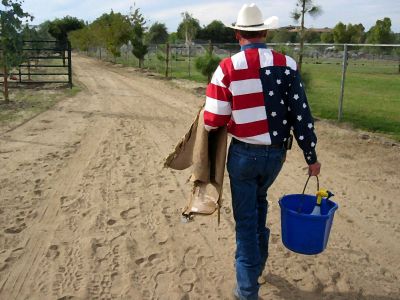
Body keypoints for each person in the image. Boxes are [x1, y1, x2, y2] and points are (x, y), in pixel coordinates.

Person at [203, 3, 321, 300]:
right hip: (275, 156)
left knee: (245, 224)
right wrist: (312, 157)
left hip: (242, 155)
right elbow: (301, 116)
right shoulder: (288, 64)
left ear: (237, 34)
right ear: (264, 32)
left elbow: (212, 120)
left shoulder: (226, 68)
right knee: (259, 204)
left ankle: (247, 292)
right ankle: (256, 270)